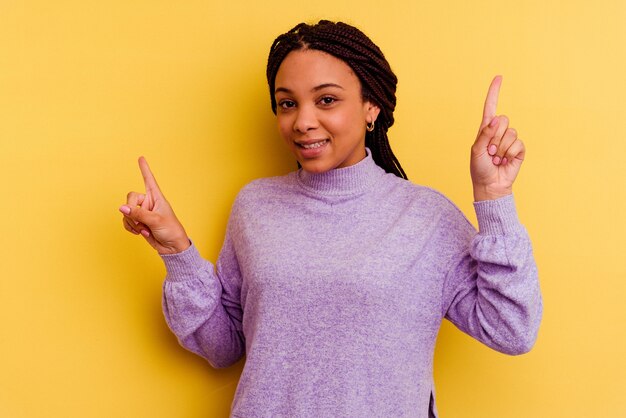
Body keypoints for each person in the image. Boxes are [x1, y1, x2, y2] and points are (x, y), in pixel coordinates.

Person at [119, 20, 542, 418]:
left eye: (326, 100)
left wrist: (494, 197)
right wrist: (177, 251)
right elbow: (224, 346)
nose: (303, 122)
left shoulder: (426, 218)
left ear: (371, 106)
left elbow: (512, 329)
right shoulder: (256, 206)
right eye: (287, 103)